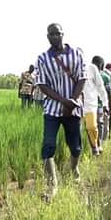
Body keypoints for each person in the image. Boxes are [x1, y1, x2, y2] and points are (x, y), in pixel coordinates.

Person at [35, 23, 86, 193]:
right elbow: (42, 84)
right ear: (47, 37)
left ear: (63, 34)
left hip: (73, 108)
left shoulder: (76, 54)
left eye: (57, 33)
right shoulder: (43, 58)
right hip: (52, 109)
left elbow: (82, 78)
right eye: (51, 34)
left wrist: (72, 100)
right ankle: (52, 184)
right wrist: (64, 101)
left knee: (76, 146)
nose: (55, 36)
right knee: (48, 146)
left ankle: (74, 170)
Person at [83, 56, 109, 155]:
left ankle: (97, 145)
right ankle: (94, 148)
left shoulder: (91, 68)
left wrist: (105, 104)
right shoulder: (73, 69)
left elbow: (101, 87)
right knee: (84, 129)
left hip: (91, 104)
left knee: (92, 127)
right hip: (77, 105)